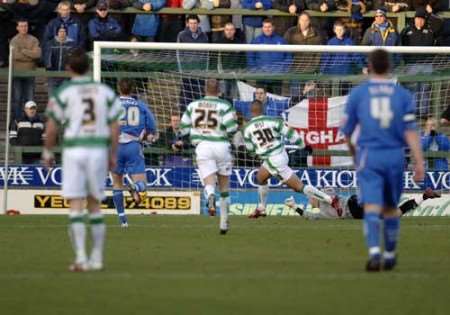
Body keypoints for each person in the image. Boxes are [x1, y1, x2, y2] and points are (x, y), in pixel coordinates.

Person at [340, 49, 425, 272]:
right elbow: (410, 131)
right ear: (389, 67)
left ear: (368, 67)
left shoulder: (358, 94)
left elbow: (347, 132)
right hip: (395, 156)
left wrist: (354, 155)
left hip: (369, 155)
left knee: (371, 206)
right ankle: (389, 254)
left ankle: (374, 253)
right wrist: (419, 161)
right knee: (389, 208)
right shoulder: (402, 95)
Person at [42, 48, 122, 272]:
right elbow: (115, 125)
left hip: (74, 150)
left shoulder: (64, 92)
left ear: (68, 69)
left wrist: (48, 152)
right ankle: (96, 259)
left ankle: (80, 257)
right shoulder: (104, 91)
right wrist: (112, 154)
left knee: (76, 203)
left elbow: (51, 126)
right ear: (89, 67)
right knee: (95, 204)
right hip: (97, 149)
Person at [242, 100, 342, 219]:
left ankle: (330, 199)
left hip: (273, 161)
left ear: (250, 111)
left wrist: (258, 153)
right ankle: (261, 208)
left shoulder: (247, 129)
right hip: (280, 154)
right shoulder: (273, 121)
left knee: (299, 187)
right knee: (260, 177)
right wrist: (303, 145)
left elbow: (250, 150)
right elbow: (290, 133)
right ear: (263, 109)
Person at [178, 79, 238, 234]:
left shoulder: (192, 105)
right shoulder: (225, 105)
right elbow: (232, 128)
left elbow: (183, 129)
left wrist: (191, 135)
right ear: (219, 90)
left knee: (209, 182)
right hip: (221, 145)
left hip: (203, 146)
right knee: (224, 188)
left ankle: (210, 195)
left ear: (205, 89)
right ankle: (224, 224)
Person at [112, 78, 157, 227]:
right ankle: (135, 188)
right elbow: (152, 128)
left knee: (117, 184)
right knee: (142, 184)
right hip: (133, 146)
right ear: (133, 90)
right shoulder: (141, 106)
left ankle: (123, 220)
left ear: (118, 88)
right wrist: (148, 136)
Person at [285, 187, 441, 219]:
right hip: (358, 210)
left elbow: (332, 194)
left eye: (309, 198)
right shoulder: (321, 214)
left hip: (354, 206)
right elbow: (308, 216)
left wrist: (334, 203)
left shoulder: (325, 193)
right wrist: (293, 207)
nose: (309, 200)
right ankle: (425, 196)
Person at [247, 19, 292, 94]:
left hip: (277, 77)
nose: (267, 29)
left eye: (269, 27)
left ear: (273, 27)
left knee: (276, 99)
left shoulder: (281, 40)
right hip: (261, 77)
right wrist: (256, 70)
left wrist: (283, 69)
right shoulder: (256, 41)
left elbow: (288, 56)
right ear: (262, 28)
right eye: (265, 27)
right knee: (260, 99)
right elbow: (250, 56)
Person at [10, 19, 41, 124]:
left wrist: (23, 51)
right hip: (17, 73)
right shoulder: (14, 40)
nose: (24, 28)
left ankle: (30, 121)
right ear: (17, 28)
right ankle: (17, 121)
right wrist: (29, 54)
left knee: (30, 98)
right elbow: (15, 56)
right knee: (17, 99)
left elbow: (37, 55)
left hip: (30, 73)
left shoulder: (34, 40)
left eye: (25, 26)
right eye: (21, 26)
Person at [176, 15, 209, 111]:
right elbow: (179, 54)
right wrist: (181, 70)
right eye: (191, 23)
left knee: (199, 97)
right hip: (187, 72)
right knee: (186, 98)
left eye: (195, 23)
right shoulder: (181, 35)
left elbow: (206, 54)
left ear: (198, 24)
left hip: (200, 73)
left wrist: (205, 71)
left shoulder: (204, 36)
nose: (193, 25)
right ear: (187, 24)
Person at [43, 25, 76, 96]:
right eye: (60, 31)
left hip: (66, 76)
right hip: (53, 76)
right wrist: (49, 70)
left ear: (66, 33)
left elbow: (74, 60)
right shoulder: (50, 44)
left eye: (64, 31)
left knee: (65, 99)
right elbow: (46, 59)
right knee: (52, 99)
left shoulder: (72, 44)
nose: (62, 33)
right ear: (56, 33)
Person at [10, 100, 45, 164]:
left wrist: (40, 151)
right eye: (30, 108)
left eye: (34, 108)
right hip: (21, 156)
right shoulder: (17, 121)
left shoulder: (41, 123)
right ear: (25, 109)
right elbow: (12, 138)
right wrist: (18, 149)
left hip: (36, 156)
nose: (32, 110)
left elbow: (44, 139)